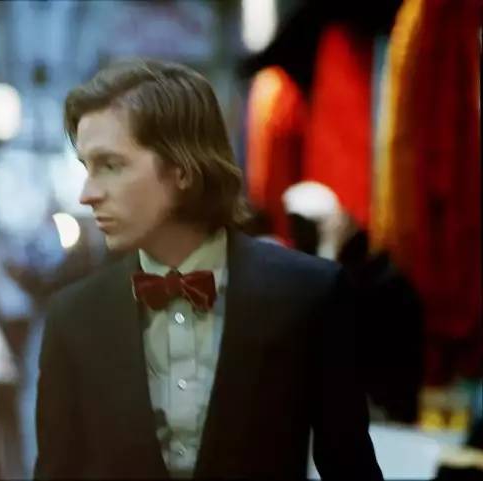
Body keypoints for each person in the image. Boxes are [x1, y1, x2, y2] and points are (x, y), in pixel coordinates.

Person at [34, 59, 383, 480]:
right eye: (86, 167)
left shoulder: (308, 295)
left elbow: (351, 468)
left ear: (182, 169)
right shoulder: (74, 317)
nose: (87, 194)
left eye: (110, 165)